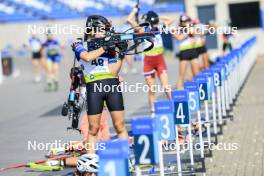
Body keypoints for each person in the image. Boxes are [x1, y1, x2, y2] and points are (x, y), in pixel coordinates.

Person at [71, 15, 129, 175]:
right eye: (103, 29)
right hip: (93, 87)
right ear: (93, 29)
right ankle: (90, 166)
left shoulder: (109, 47)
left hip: (111, 86)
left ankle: (125, 160)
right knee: (93, 129)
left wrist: (121, 55)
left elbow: (112, 72)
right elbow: (87, 57)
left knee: (120, 126)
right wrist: (105, 47)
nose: (105, 33)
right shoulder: (79, 43)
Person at [127, 8, 172, 113]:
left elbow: (170, 20)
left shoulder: (159, 27)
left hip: (160, 60)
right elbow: (129, 20)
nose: (155, 25)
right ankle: (153, 110)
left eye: (156, 23)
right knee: (152, 89)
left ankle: (173, 105)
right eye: (153, 23)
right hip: (149, 61)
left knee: (166, 87)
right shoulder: (143, 30)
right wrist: (134, 11)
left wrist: (158, 17)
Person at [172, 14, 200, 89]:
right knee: (182, 75)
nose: (185, 22)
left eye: (187, 21)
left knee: (196, 74)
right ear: (181, 22)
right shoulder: (178, 29)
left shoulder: (191, 28)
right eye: (184, 21)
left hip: (192, 51)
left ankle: (199, 92)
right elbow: (179, 38)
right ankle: (179, 92)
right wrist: (187, 32)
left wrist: (192, 32)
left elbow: (197, 35)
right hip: (184, 52)